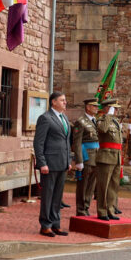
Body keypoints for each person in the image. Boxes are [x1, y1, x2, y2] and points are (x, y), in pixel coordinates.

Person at [33, 92, 72, 237]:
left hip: (62, 163)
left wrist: (68, 161)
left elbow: (66, 142)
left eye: (65, 100)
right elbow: (39, 142)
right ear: (53, 102)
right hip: (49, 164)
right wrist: (42, 163)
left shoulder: (64, 118)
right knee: (48, 196)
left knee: (57, 196)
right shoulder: (45, 118)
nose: (65, 102)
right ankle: (45, 225)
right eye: (62, 100)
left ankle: (56, 223)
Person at [72, 97, 100, 217]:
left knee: (91, 184)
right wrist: (79, 160)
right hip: (86, 156)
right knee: (83, 184)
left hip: (96, 156)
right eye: (94, 106)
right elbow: (77, 142)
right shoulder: (81, 121)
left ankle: (86, 206)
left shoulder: (95, 121)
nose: (97, 108)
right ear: (88, 107)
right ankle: (81, 208)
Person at [95, 98, 123, 221]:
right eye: (114, 108)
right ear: (107, 108)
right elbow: (103, 130)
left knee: (113, 186)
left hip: (116, 156)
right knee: (103, 186)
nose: (116, 110)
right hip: (106, 157)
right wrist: (108, 115)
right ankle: (102, 211)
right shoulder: (101, 120)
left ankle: (111, 209)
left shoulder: (115, 121)